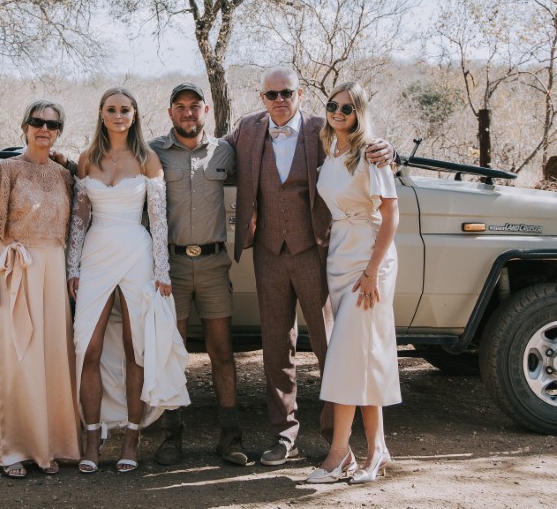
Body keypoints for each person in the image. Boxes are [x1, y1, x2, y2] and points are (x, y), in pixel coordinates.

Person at [224, 66, 393, 467]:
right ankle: (285, 437)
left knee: (330, 346)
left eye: (287, 93)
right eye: (271, 95)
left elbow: (363, 145)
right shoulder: (247, 130)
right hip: (267, 252)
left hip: (317, 252)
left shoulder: (324, 128)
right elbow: (208, 152)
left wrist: (391, 151)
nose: (279, 100)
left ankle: (337, 438)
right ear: (261, 97)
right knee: (275, 347)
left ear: (300, 94)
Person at [68, 87, 189, 474]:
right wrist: (73, 266)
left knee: (137, 346)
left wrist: (161, 272)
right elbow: (78, 218)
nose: (119, 115)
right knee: (89, 346)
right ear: (102, 114)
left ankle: (132, 438)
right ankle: (91, 438)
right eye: (112, 109)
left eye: (125, 109)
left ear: (134, 115)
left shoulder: (147, 159)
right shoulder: (87, 159)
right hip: (95, 253)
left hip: (136, 253)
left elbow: (157, 221)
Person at [0, 100, 81, 479]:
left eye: (52, 124)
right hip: (15, 270)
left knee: (52, 358)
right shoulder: (6, 171)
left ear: (58, 132)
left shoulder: (63, 175)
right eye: (37, 122)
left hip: (52, 269)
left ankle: (48, 446)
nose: (44, 129)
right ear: (24, 127)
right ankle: (12, 450)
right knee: (18, 359)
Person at [148, 83, 250, 467]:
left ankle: (230, 436)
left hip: (212, 264)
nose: (188, 112)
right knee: (172, 353)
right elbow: (114, 165)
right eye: (180, 106)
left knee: (221, 351)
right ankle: (172, 437)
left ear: (206, 110)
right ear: (171, 112)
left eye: (195, 106)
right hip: (169, 266)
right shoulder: (154, 151)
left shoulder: (225, 150)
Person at [307, 81, 400, 485]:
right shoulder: (330, 150)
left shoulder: (371, 153)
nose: (338, 112)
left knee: (347, 355)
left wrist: (372, 272)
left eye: (347, 107)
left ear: (360, 112)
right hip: (339, 255)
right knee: (363, 356)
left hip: (368, 258)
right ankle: (377, 449)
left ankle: (339, 452)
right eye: (333, 106)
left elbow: (391, 215)